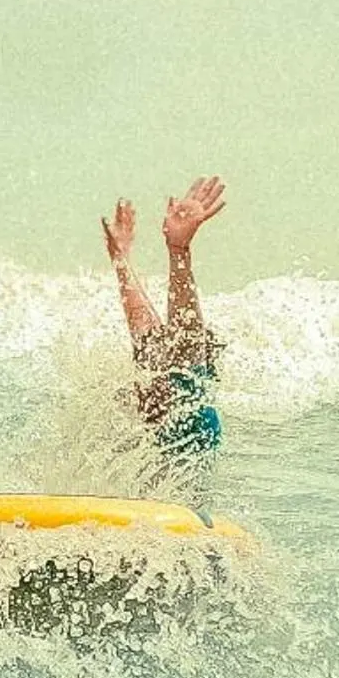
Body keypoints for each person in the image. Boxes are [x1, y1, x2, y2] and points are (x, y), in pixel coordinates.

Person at [100, 177, 227, 491]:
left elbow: (186, 338)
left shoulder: (189, 410)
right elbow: (144, 329)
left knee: (171, 357)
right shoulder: (153, 399)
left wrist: (179, 251)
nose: (149, 377)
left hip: (188, 508)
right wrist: (121, 259)